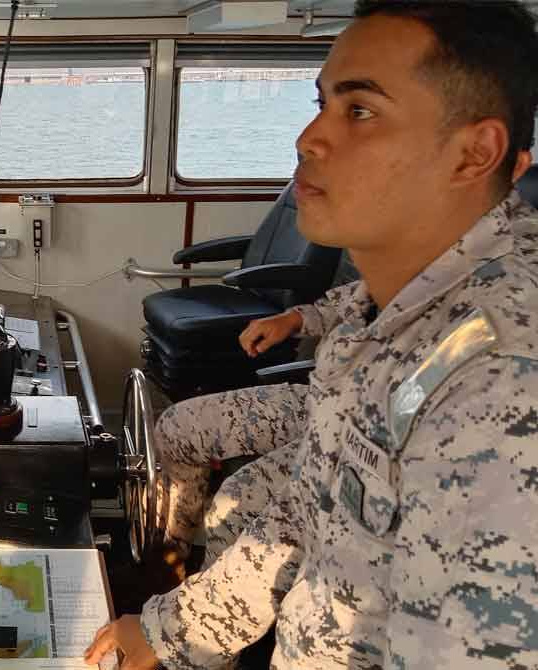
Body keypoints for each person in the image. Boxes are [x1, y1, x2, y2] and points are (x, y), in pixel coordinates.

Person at [87, 1, 538, 667]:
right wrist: (167, 631)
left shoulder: (500, 383)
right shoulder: (406, 303)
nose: (308, 137)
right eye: (321, 102)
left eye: (359, 110)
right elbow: (317, 506)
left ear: (475, 153)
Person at [156, 284, 356, 574]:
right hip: (320, 399)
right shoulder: (395, 270)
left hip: (360, 434)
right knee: (176, 427)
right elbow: (358, 300)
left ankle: (204, 601)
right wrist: (298, 318)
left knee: (234, 506)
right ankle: (173, 555)